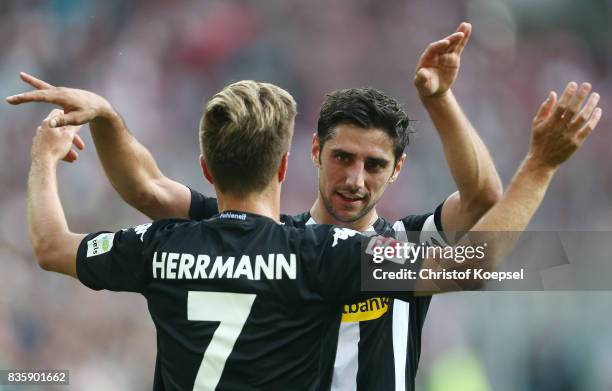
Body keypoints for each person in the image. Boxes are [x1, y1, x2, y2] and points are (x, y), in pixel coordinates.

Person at [11, 22, 601, 389]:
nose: (355, 179)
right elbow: (148, 190)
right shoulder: (304, 247)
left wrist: (441, 99)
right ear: (308, 154)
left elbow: (483, 199)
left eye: (374, 166)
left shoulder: (396, 240)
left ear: (397, 172)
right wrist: (543, 164)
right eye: (343, 158)